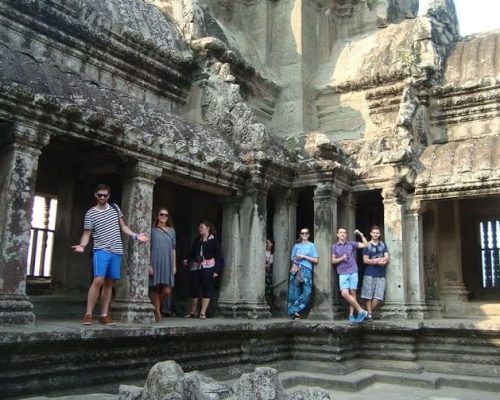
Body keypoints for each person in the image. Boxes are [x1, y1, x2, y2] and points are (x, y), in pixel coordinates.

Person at [72, 183, 148, 326]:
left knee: (109, 283)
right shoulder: (91, 213)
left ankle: (104, 315)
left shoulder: (115, 208)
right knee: (98, 280)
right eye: (99, 195)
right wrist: (82, 245)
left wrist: (136, 236)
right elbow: (86, 233)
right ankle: (88, 314)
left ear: (108, 196)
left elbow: (123, 226)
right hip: (101, 249)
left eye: (105, 195)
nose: (102, 197)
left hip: (116, 250)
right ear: (95, 195)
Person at [183, 221, 222, 320]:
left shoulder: (214, 241)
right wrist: (188, 260)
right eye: (199, 227)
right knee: (194, 288)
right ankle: (193, 311)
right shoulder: (197, 240)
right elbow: (192, 252)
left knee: (206, 288)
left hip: (208, 266)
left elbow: (218, 256)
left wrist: (216, 270)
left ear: (208, 228)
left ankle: (202, 312)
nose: (200, 229)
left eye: (202, 227)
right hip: (196, 265)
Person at [331, 226, 369, 324]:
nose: (343, 234)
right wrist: (341, 258)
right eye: (341, 232)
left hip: (353, 271)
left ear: (346, 235)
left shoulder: (351, 244)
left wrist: (360, 234)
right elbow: (333, 260)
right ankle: (361, 311)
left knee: (353, 293)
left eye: (344, 232)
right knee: (344, 293)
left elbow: (365, 244)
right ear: (337, 234)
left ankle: (351, 315)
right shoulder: (335, 246)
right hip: (342, 272)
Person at [149, 208, 176, 322]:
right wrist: (148, 265)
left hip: (167, 261)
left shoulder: (172, 231)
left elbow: (173, 249)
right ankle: (158, 314)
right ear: (158, 216)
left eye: (166, 215)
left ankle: (155, 308)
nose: (163, 217)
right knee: (156, 288)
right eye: (161, 214)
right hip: (155, 260)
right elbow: (148, 248)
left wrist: (174, 265)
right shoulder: (152, 230)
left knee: (167, 290)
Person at [288, 228, 319, 320]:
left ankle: (293, 309)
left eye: (306, 233)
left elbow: (316, 260)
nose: (304, 234)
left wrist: (304, 256)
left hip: (307, 269)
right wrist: (296, 260)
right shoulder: (296, 246)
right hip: (296, 268)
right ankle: (295, 314)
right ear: (300, 235)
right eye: (302, 233)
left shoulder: (311, 245)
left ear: (309, 234)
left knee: (307, 291)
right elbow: (292, 258)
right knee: (294, 291)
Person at [360, 225, 389, 321]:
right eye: (374, 233)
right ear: (370, 233)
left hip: (381, 273)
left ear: (380, 234)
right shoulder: (367, 245)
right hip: (369, 273)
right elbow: (365, 260)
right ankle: (370, 315)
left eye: (377, 233)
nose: (375, 234)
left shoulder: (383, 245)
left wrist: (380, 261)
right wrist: (378, 260)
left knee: (378, 296)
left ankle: (367, 313)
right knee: (368, 295)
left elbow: (387, 258)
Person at [265, 238, 274, 308]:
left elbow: (270, 264)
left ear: (272, 244)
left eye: (268, 242)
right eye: (266, 243)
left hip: (268, 273)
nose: (266, 244)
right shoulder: (263, 252)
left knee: (269, 290)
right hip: (263, 272)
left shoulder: (272, 254)